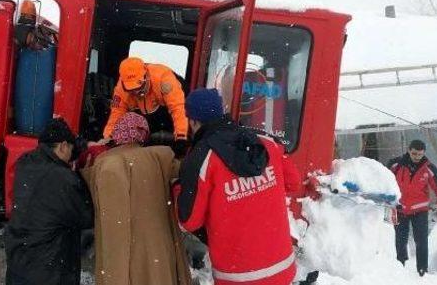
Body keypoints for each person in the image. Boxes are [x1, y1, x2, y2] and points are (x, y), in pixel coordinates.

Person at [175, 88, 300, 285]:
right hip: (283, 269)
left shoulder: (200, 158)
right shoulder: (266, 142)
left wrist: (178, 190)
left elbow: (189, 221)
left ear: (193, 121)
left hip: (238, 278)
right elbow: (293, 182)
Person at [81, 112, 191, 285]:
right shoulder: (160, 157)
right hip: (155, 250)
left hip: (119, 255)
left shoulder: (102, 164)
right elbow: (187, 170)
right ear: (144, 134)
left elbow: (92, 193)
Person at [5, 118, 94, 285]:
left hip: (20, 259)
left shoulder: (26, 163)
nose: (71, 156)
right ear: (62, 146)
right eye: (71, 149)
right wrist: (84, 174)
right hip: (49, 268)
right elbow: (85, 216)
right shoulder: (61, 177)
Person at [386, 139, 437, 276]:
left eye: (420, 154)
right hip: (400, 209)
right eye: (414, 153)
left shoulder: (429, 168)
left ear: (424, 153)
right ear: (409, 150)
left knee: (421, 242)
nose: (417, 157)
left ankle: (423, 271)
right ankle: (400, 269)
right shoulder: (395, 165)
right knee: (400, 241)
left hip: (420, 211)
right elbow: (384, 181)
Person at [102, 57, 188, 155]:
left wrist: (181, 137)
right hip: (143, 113)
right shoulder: (120, 89)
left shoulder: (164, 78)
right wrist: (108, 138)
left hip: (166, 108)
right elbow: (116, 113)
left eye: (139, 87)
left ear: (146, 75)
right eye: (132, 89)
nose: (136, 92)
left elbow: (178, 108)